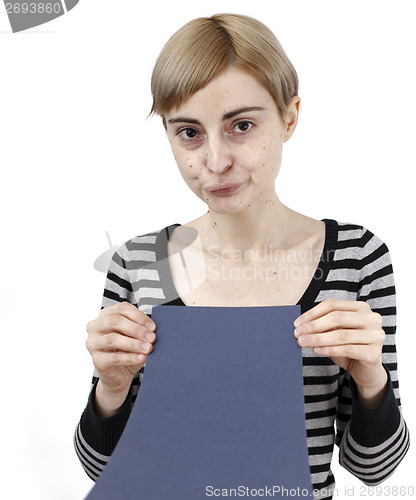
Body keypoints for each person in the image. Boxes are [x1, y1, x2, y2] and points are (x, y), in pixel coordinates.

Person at [74, 13, 409, 499]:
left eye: (242, 125)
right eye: (189, 132)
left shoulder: (357, 257)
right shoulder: (140, 262)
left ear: (289, 117)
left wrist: (371, 380)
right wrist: (111, 389)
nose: (214, 160)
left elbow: (374, 470)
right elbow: (102, 470)